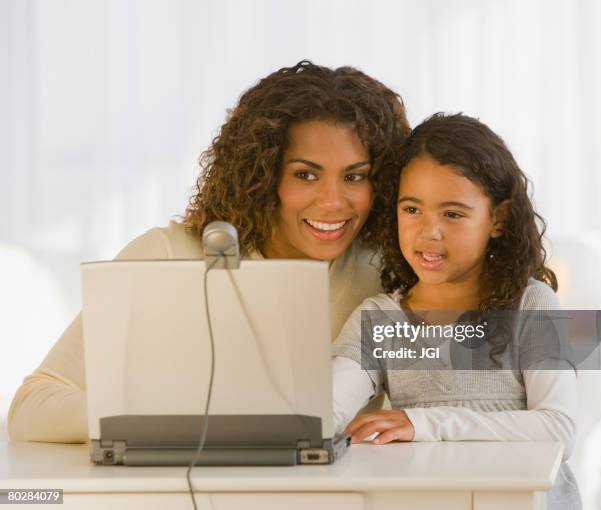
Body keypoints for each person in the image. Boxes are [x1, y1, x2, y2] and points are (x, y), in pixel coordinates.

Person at [8, 60, 410, 443]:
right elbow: (33, 407)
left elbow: (459, 389)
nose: (333, 202)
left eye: (355, 176)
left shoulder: (386, 271)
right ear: (262, 174)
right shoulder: (166, 256)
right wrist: (168, 416)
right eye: (305, 175)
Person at [332, 113, 581, 509]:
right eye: (412, 209)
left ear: (497, 219)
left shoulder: (531, 304)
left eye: (452, 214)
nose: (429, 232)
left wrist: (424, 422)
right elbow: (328, 409)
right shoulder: (379, 320)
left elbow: (558, 429)